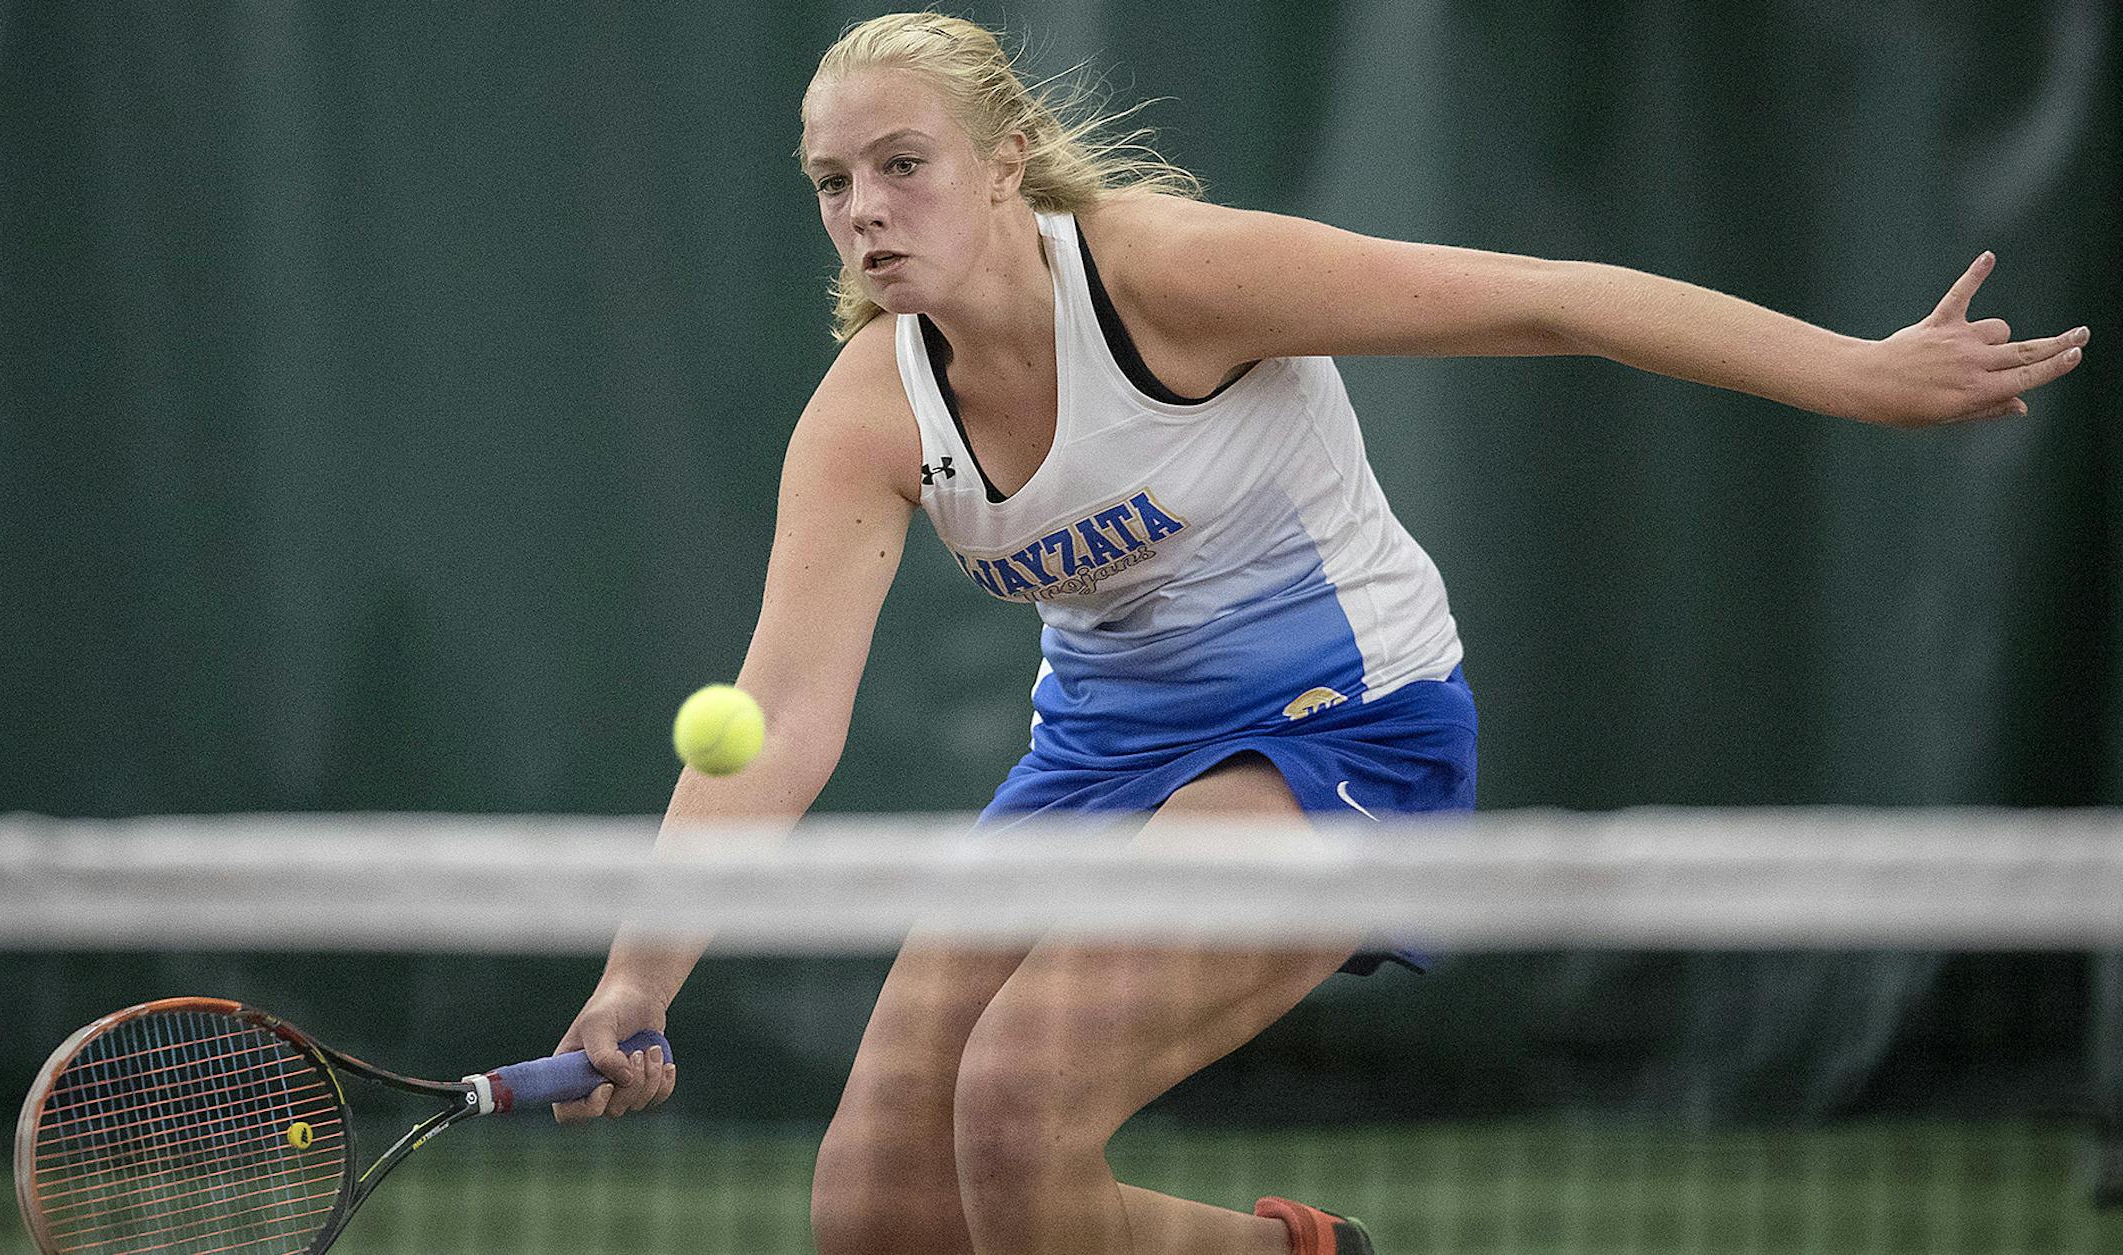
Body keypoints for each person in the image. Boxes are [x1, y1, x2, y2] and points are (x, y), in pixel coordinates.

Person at [549, 13, 2089, 1255]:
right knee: (875, 1211)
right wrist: (639, 975)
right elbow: (784, 717)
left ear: (1009, 163)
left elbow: (1546, 301)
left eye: (904, 164)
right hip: (1099, 764)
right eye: (833, 181)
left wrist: (1857, 372)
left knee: (1018, 1105)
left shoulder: (1169, 278)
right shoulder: (869, 419)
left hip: (1344, 735)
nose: (866, 211)